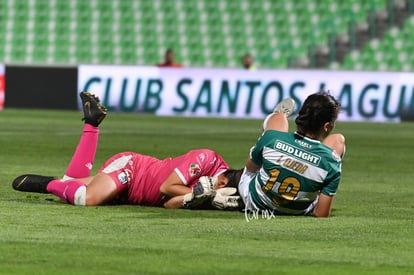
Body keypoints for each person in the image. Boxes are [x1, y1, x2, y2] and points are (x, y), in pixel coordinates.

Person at [12, 92, 242, 208]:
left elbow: (169, 204)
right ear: (222, 181)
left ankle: (91, 124)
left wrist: (196, 197)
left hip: (130, 195)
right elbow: (166, 187)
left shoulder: (218, 194)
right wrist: (201, 193)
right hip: (133, 170)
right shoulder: (207, 158)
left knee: (73, 183)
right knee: (87, 198)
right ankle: (48, 184)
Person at [238, 91, 345, 217]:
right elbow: (321, 214)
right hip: (299, 211)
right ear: (326, 126)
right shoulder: (333, 162)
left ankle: (272, 133)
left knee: (279, 118)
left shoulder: (272, 137)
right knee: (338, 140)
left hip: (256, 203)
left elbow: (250, 167)